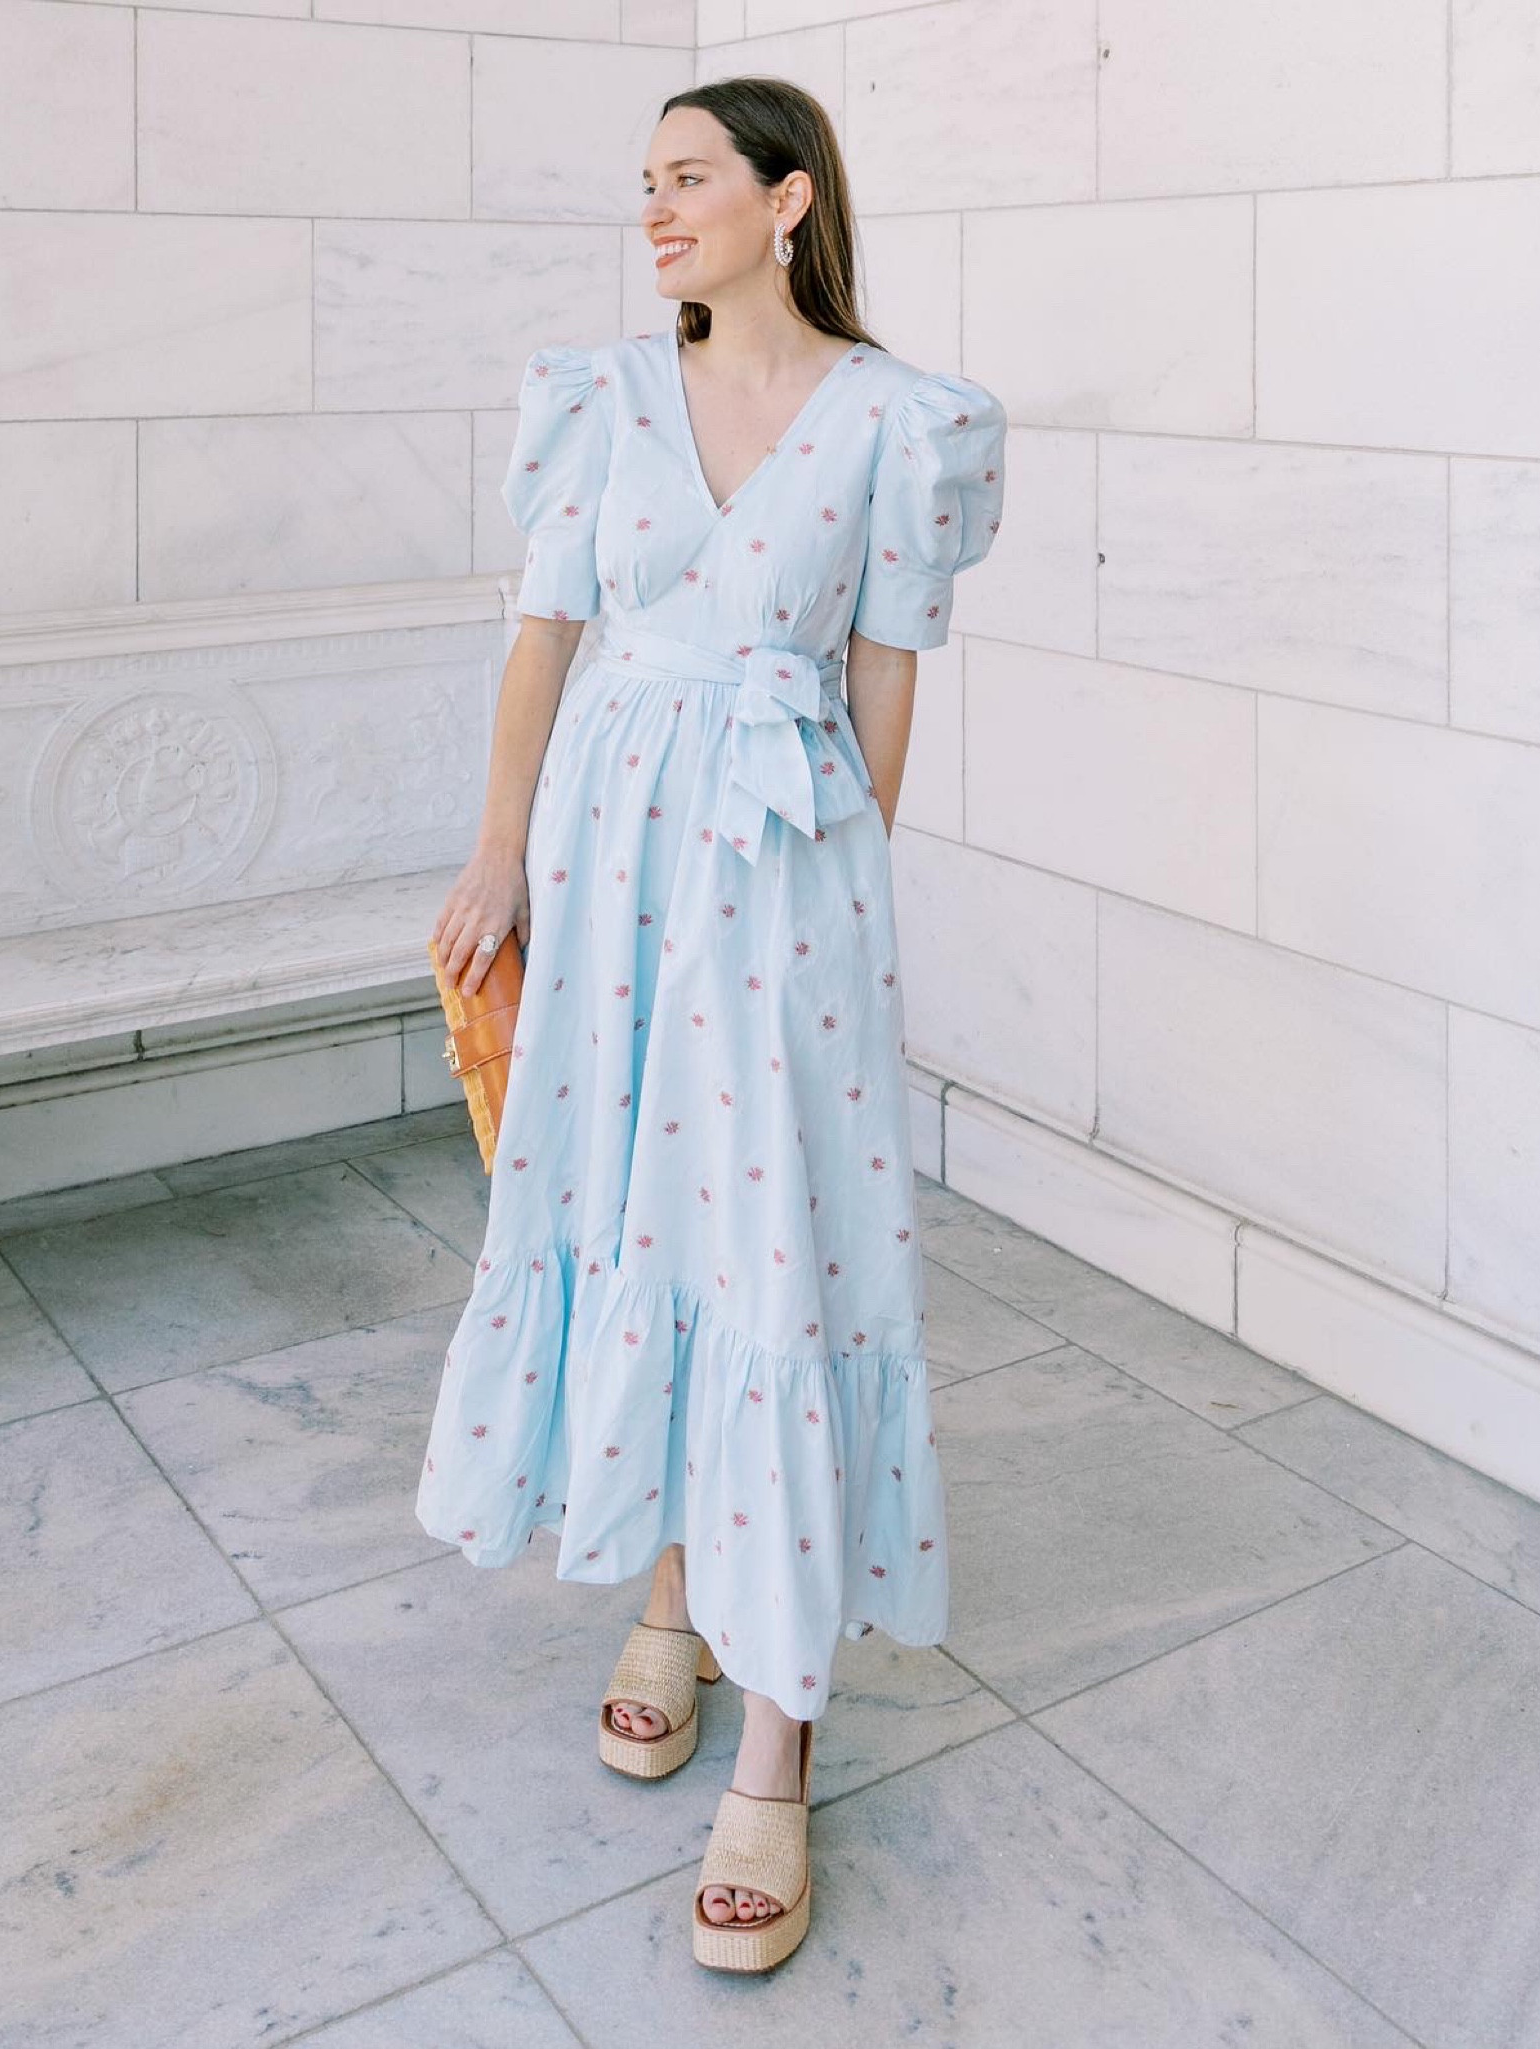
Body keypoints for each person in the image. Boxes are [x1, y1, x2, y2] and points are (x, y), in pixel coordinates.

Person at [416, 74, 1006, 1972]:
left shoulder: (902, 427)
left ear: (787, 197)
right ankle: (668, 1595)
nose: (654, 211)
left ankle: (780, 1732)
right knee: (638, 1233)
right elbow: (544, 636)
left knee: (777, 1260)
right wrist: (501, 861)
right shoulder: (594, 400)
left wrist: (840, 906)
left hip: (783, 883)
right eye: (644, 184)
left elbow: (883, 678)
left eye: (686, 179)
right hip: (606, 870)